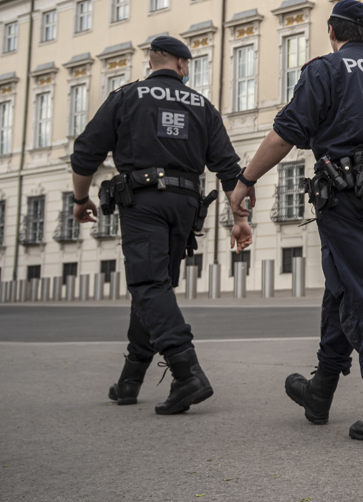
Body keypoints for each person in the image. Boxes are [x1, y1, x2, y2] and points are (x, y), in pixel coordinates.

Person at [228, 0, 363, 441]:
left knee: (362, 293)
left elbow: (286, 133)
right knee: (343, 286)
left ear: (333, 33)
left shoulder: (327, 69)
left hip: (346, 196)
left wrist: (245, 180)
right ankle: (321, 389)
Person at [71, 35, 249, 415]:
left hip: (143, 200)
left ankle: (187, 373)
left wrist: (80, 199)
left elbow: (86, 153)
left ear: (153, 63)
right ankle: (131, 379)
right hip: (185, 204)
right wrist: (240, 220)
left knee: (148, 284)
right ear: (183, 65)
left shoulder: (126, 97)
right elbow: (229, 169)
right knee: (154, 286)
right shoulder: (202, 105)